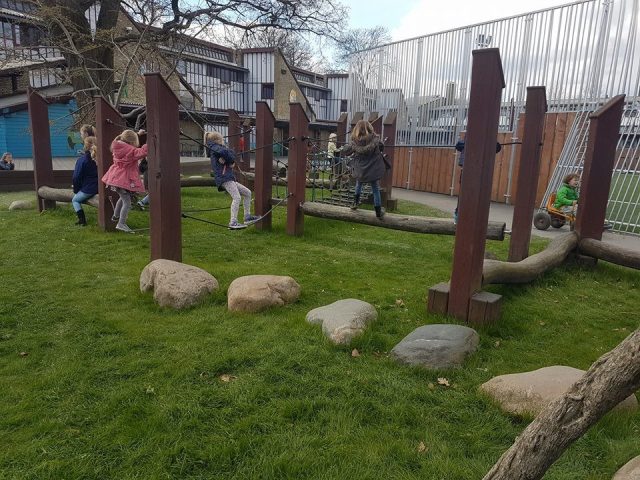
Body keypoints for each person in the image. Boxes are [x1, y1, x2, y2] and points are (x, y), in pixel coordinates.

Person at [205, 131, 260, 228]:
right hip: (224, 178)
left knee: (247, 192)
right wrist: (230, 159)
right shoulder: (215, 148)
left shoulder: (217, 148)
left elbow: (231, 153)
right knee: (237, 197)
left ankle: (247, 217)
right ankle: (233, 222)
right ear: (218, 140)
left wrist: (229, 159)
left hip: (229, 177)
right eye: (222, 140)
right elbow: (227, 153)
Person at [101, 129, 148, 233]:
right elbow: (143, 152)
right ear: (131, 142)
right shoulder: (131, 151)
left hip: (115, 178)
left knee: (122, 198)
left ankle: (115, 216)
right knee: (127, 202)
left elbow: (130, 142)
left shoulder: (118, 146)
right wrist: (149, 142)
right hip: (123, 179)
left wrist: (138, 134)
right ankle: (121, 223)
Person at [342, 120, 386, 218]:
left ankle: (355, 203)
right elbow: (382, 147)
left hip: (360, 168)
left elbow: (347, 151)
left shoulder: (355, 140)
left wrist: (349, 146)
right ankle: (378, 211)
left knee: (359, 184)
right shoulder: (374, 139)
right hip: (372, 168)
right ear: (369, 128)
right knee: (375, 188)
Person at [453, 139, 502, 224]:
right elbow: (458, 145)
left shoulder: (486, 140)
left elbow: (497, 147)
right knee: (465, 194)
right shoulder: (468, 140)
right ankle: (459, 215)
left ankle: (471, 215)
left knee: (476, 194)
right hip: (468, 169)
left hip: (479, 170)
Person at [71, 136, 98, 226]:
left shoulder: (82, 160)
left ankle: (82, 220)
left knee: (75, 200)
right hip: (101, 186)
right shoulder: (100, 158)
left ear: (85, 146)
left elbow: (76, 177)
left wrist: (76, 190)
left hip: (89, 188)